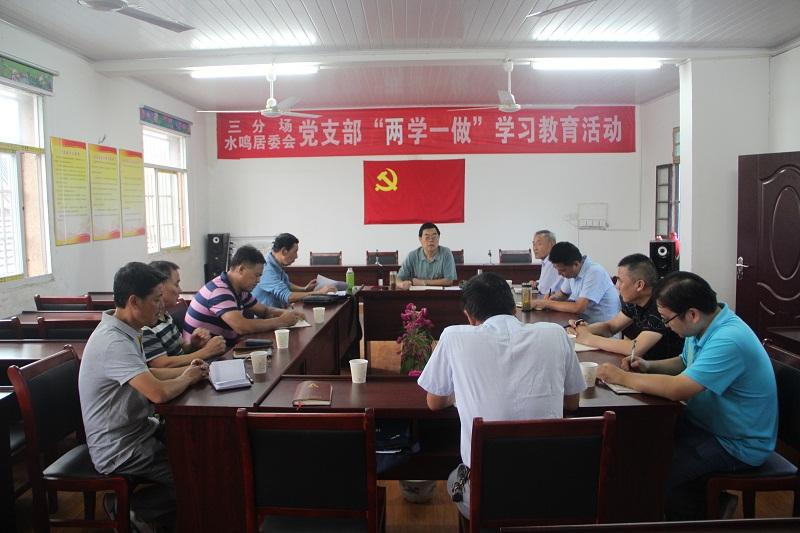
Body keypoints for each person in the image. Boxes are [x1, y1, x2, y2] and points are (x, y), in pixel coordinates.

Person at [597, 271, 778, 520]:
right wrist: (649, 366)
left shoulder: (729, 339)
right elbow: (684, 362)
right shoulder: (703, 325)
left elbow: (678, 389)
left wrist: (621, 377)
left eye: (667, 319)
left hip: (736, 443)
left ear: (691, 314)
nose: (667, 326)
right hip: (704, 424)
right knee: (640, 446)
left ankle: (707, 513)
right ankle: (701, 503)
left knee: (661, 474)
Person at [417, 272, 586, 517]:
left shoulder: (454, 337)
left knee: (456, 477)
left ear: (469, 316)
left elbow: (434, 402)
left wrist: (461, 394)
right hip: (550, 489)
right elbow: (572, 403)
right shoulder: (556, 334)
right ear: (514, 308)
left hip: (488, 494)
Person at [78, 262, 209, 529]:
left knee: (201, 452)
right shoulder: (113, 342)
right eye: (156, 300)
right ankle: (132, 508)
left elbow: (147, 374)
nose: (162, 307)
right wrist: (187, 377)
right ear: (134, 301)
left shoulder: (126, 330)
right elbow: (158, 393)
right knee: (193, 477)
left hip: (140, 430)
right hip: (119, 447)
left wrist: (191, 369)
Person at [568, 253, 684, 360]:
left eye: (620, 281)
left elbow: (635, 348)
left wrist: (588, 338)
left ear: (639, 285)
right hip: (642, 364)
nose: (617, 286)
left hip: (661, 370)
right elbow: (610, 327)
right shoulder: (634, 301)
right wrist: (581, 330)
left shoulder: (661, 305)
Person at [184, 245, 303, 347]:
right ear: (241, 269)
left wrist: (289, 314)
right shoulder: (219, 291)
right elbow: (242, 326)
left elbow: (264, 310)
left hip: (226, 349)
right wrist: (281, 321)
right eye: (256, 275)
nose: (258, 280)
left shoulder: (239, 289)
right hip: (205, 357)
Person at [142, 260, 226, 368]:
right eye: (176, 284)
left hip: (187, 370)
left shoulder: (166, 315)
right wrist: (207, 352)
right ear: (160, 287)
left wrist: (194, 344)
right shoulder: (146, 325)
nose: (180, 290)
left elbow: (182, 349)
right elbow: (163, 364)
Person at [537, 241, 620, 323]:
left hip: (603, 327)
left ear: (576, 264)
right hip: (582, 322)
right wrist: (552, 297)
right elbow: (563, 294)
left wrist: (547, 303)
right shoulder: (572, 272)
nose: (559, 274)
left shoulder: (594, 272)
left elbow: (578, 308)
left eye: (562, 270)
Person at [252, 232, 337, 308]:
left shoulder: (275, 262)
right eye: (295, 251)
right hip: (266, 317)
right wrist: (319, 292)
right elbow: (288, 296)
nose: (296, 256)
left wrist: (304, 289)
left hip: (279, 311)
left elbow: (286, 284)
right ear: (284, 251)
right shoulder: (266, 269)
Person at [397, 222, 457, 289]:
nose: (431, 240)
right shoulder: (412, 256)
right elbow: (398, 278)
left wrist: (423, 282)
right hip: (418, 293)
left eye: (434, 237)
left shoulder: (446, 253)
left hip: (440, 294)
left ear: (439, 237)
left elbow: (449, 281)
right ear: (420, 239)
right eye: (427, 237)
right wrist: (401, 284)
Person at [531, 229, 562, 295]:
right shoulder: (545, 261)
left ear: (551, 245)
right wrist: (537, 283)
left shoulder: (553, 262)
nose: (535, 248)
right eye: (534, 244)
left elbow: (544, 290)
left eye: (539, 244)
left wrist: (537, 285)